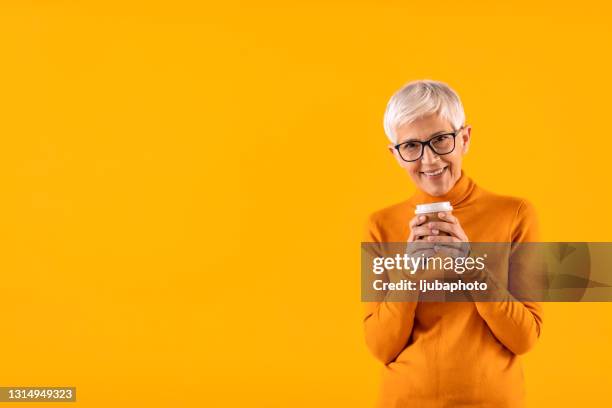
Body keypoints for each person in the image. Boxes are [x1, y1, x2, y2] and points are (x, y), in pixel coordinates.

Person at [363, 79, 543, 407]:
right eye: (412, 146)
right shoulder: (380, 226)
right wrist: (410, 274)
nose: (430, 160)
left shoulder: (516, 214)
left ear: (464, 138)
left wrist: (471, 265)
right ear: (395, 154)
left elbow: (525, 338)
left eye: (440, 140)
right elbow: (380, 348)